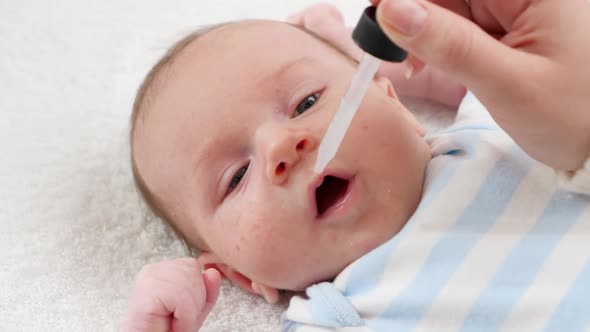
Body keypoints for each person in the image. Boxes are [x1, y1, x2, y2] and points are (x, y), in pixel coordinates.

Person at [121, 1, 590, 331]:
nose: (281, 148)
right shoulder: (337, 314)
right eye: (236, 178)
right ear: (242, 275)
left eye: (307, 101)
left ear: (396, 106)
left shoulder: (497, 127)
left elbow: (500, 77)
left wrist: (395, 65)